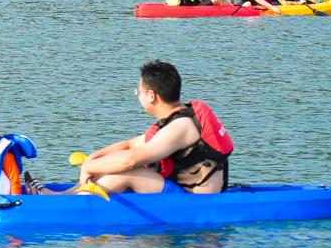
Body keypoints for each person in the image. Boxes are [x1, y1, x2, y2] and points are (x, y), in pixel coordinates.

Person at [78, 60, 234, 195]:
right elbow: (129, 145)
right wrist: (94, 158)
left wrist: (90, 167)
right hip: (184, 193)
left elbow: (129, 160)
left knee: (128, 172)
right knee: (108, 168)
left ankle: (75, 203)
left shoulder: (180, 127)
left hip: (192, 201)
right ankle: (67, 195)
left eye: (138, 91)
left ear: (151, 95)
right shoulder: (175, 119)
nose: (138, 95)